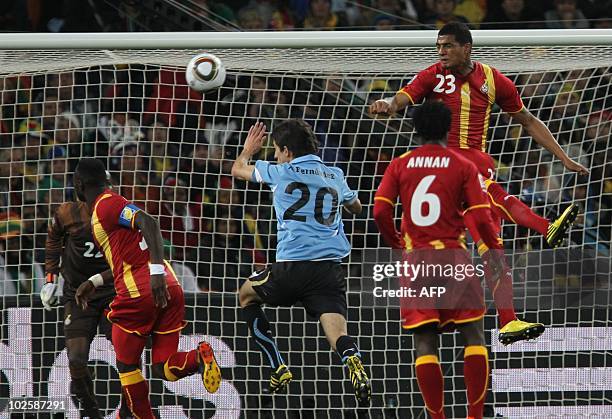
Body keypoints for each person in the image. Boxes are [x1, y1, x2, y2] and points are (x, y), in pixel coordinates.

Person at [369, 21, 588, 344]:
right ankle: (545, 227)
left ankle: (508, 319)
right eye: (438, 46)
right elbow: (403, 97)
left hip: (473, 171)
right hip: (447, 168)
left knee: (492, 246)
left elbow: (527, 120)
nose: (441, 52)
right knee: (491, 195)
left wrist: (563, 158)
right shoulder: (433, 75)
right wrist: (387, 105)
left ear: (466, 47)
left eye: (447, 46)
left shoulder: (492, 79)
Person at [373, 101, 505, 419]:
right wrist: (493, 250)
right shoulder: (462, 164)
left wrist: (397, 243)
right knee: (473, 335)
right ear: (449, 128)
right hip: (453, 257)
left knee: (425, 342)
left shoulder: (400, 163)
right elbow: (481, 218)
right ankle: (474, 416)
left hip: (416, 261)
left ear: (415, 129)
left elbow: (379, 210)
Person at [230, 120, 371, 406]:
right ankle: (353, 360)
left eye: (276, 152)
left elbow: (238, 170)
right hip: (328, 272)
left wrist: (248, 151)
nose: (275, 157)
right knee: (338, 334)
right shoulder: (334, 174)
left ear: (287, 151)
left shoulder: (279, 171)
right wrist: (341, 200)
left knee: (245, 296)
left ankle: (277, 366)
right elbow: (357, 207)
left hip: (291, 268)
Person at [72, 158, 221, 418]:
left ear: (78, 184)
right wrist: (94, 281)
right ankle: (198, 358)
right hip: (168, 285)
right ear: (107, 180)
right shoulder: (107, 210)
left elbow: (149, 222)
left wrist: (154, 273)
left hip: (142, 289)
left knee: (127, 366)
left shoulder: (107, 203)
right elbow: (125, 260)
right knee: (163, 367)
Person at [41, 194, 125, 418]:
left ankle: (128, 410)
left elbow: (128, 255)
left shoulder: (118, 213)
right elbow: (52, 239)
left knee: (126, 354)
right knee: (76, 360)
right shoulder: (67, 214)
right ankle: (92, 413)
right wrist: (50, 279)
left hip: (112, 293)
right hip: (78, 296)